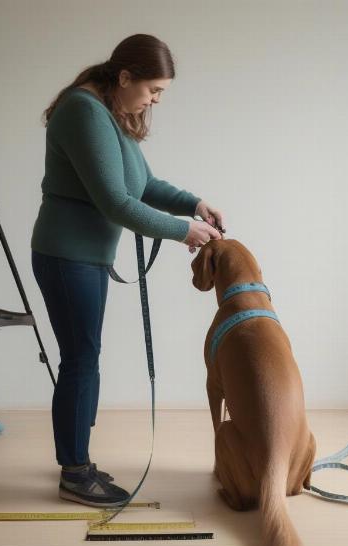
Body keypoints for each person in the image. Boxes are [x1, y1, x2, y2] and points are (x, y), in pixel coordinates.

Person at [30, 34, 224, 508]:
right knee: (80, 359)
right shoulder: (84, 112)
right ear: (124, 77)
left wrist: (193, 203)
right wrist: (183, 232)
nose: (155, 100)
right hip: (66, 256)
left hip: (84, 258)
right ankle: (74, 472)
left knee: (84, 357)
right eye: (153, 89)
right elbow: (116, 202)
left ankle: (79, 462)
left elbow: (143, 184)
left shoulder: (109, 115)